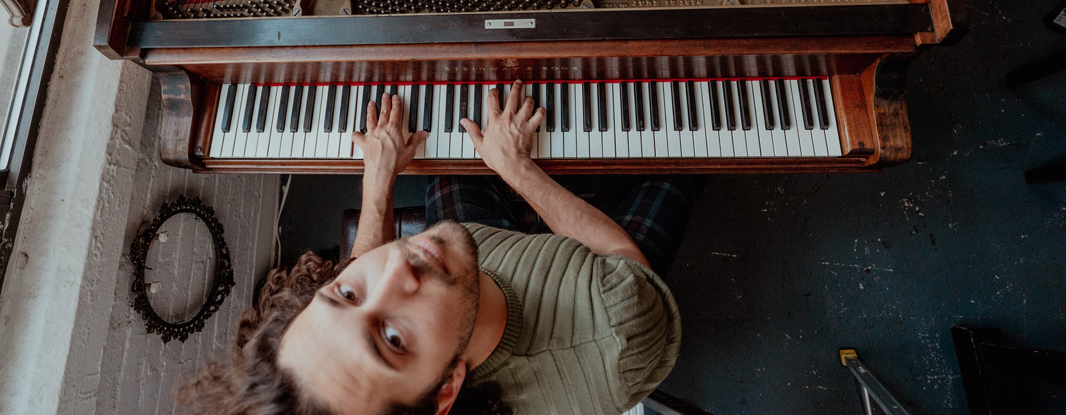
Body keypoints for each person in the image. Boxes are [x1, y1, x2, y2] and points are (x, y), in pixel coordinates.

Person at [177, 81, 695, 415]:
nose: (397, 264)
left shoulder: (420, 274)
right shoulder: (616, 327)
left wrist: (378, 180)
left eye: (346, 295)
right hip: (588, 279)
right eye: (395, 339)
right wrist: (516, 169)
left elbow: (363, 269)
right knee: (682, 146)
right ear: (447, 391)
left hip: (472, 268)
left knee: (451, 136)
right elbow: (623, 258)